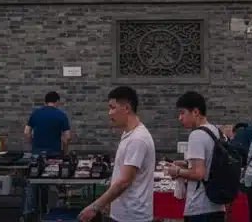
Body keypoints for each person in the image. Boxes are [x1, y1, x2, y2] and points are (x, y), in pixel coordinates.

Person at [80, 86, 155, 222]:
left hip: (133, 217)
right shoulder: (128, 134)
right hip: (123, 213)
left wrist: (95, 207)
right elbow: (120, 175)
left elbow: (124, 182)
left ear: (127, 108)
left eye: (112, 107)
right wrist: (110, 203)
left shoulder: (137, 139)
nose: (109, 113)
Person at [167, 91, 226, 221]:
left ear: (195, 112)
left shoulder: (197, 135)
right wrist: (186, 163)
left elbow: (198, 173)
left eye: (182, 113)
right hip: (218, 205)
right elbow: (211, 164)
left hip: (200, 207)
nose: (180, 118)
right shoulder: (217, 132)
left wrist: (176, 171)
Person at [23, 92, 71, 218]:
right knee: (53, 182)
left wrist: (32, 145)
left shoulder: (36, 113)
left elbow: (26, 132)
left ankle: (29, 213)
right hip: (54, 155)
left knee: (33, 183)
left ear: (45, 101)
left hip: (36, 154)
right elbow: (67, 137)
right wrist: (64, 152)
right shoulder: (61, 115)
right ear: (57, 101)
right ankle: (50, 212)